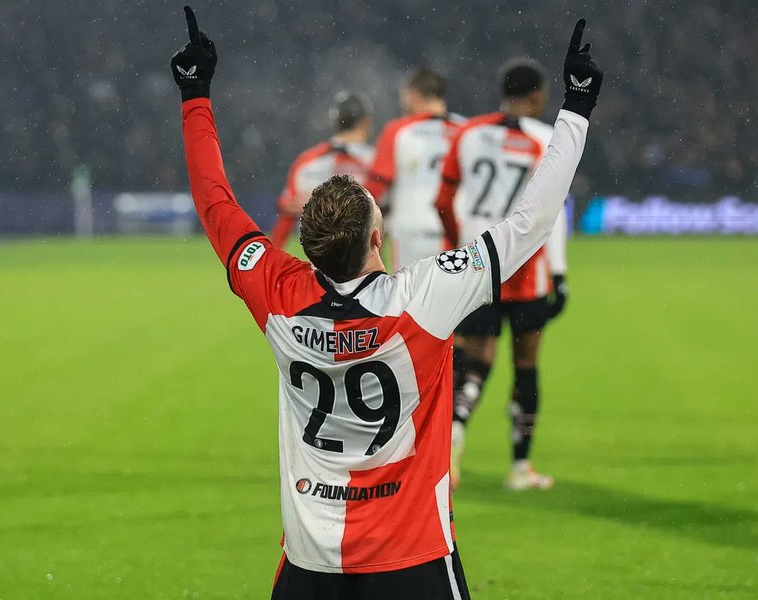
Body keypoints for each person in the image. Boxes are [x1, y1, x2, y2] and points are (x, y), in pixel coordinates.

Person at [170, 7, 599, 597]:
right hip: (413, 561)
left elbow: (215, 203)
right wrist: (575, 108)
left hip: (310, 569)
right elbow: (530, 224)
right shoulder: (424, 297)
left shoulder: (277, 293)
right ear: (378, 236)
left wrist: (195, 95)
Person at [435, 59, 572, 492]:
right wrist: (561, 275)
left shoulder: (468, 133)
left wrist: (462, 246)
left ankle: (449, 445)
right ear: (536, 97)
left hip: (477, 266)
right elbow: (553, 217)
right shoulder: (546, 139)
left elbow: (443, 199)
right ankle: (520, 468)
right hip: (526, 270)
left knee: (472, 361)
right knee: (525, 365)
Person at [363, 68, 463, 270]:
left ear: (413, 96)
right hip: (455, 233)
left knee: (410, 300)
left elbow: (376, 187)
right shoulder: (467, 129)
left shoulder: (397, 130)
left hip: (412, 233)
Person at [269, 92, 374, 247]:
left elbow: (287, 211)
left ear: (335, 122)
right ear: (366, 122)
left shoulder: (306, 161)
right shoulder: (376, 162)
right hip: (364, 264)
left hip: (319, 264)